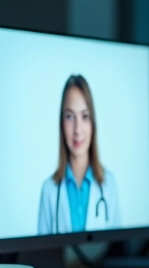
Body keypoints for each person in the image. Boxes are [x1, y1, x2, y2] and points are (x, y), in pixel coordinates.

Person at [37, 75, 122, 234]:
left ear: (93, 123)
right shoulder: (49, 190)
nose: (77, 129)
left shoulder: (109, 184)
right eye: (70, 117)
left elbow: (117, 249)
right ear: (61, 123)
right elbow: (41, 255)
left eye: (85, 116)